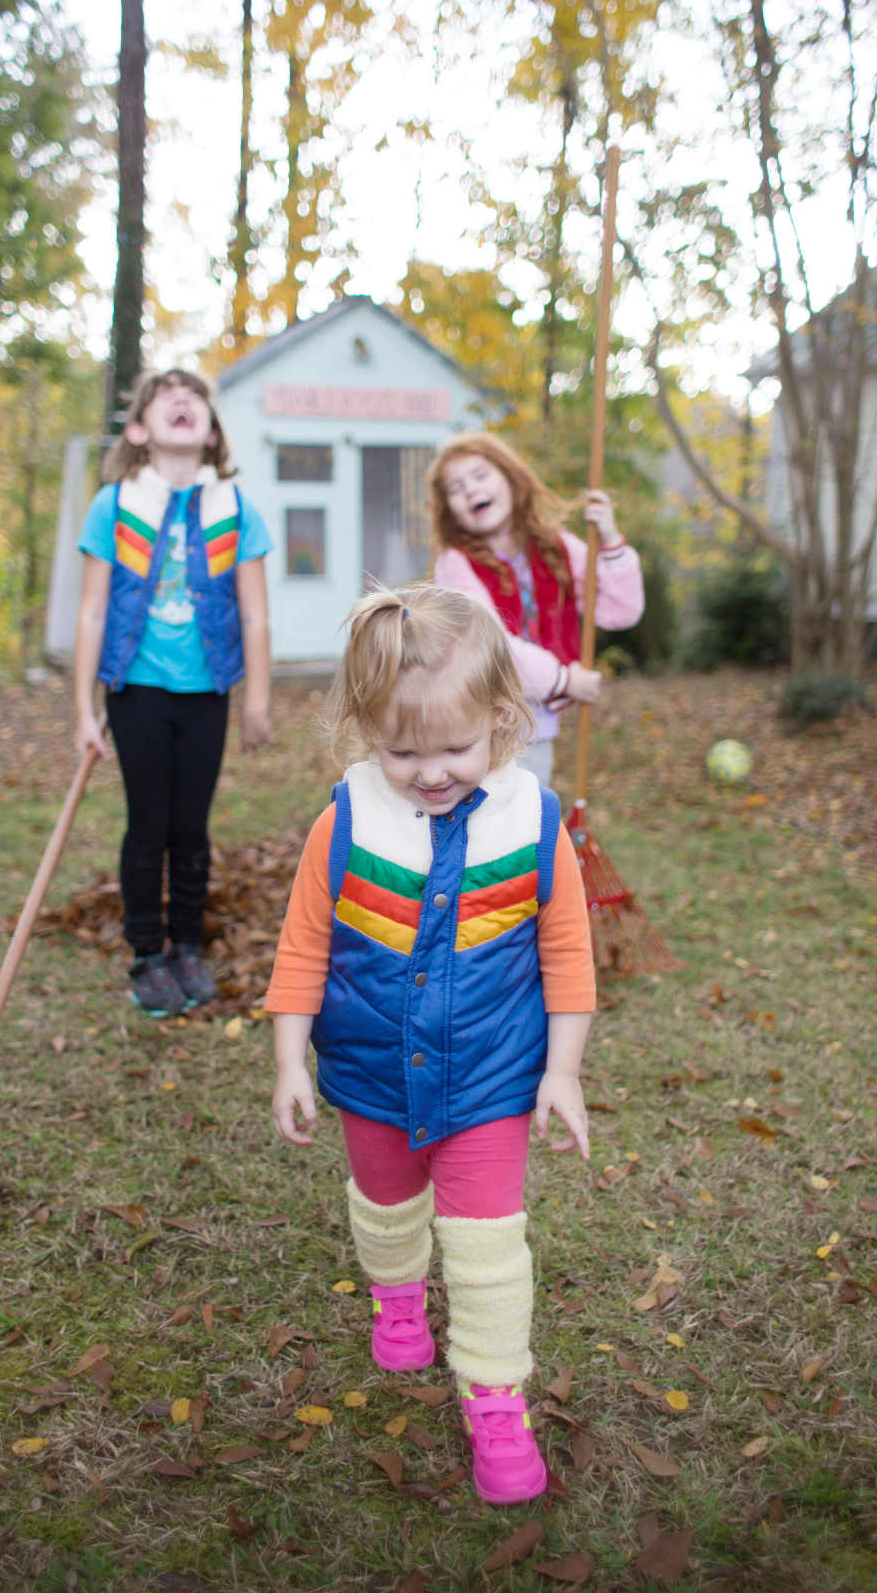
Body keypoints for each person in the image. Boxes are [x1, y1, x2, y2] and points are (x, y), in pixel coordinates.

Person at [267, 584, 595, 1506]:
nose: (430, 771)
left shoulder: (533, 826)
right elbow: (302, 947)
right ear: (367, 730)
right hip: (369, 1073)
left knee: (491, 1248)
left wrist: (562, 1071)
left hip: (492, 1078)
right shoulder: (343, 825)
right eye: (401, 750)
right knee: (385, 1208)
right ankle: (397, 1296)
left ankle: (497, 1403)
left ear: (503, 721)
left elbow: (567, 953)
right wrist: (291, 1060)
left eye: (454, 747)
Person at [74, 366, 272, 1018]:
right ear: (139, 430)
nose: (183, 402)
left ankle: (188, 945)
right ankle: (147, 954)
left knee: (191, 827)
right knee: (148, 825)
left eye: (196, 400)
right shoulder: (116, 503)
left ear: (212, 433)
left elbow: (254, 615)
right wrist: (83, 709)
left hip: (205, 691)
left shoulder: (234, 508)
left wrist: (257, 701)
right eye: (165, 397)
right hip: (138, 690)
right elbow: (93, 611)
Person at [429, 432, 644, 786]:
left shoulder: (555, 548)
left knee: (525, 826)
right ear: (449, 510)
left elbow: (618, 611)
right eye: (455, 488)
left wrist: (610, 540)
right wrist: (563, 679)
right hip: (474, 730)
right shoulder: (456, 565)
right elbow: (488, 645)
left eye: (481, 475)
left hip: (535, 727)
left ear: (510, 478)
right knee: (480, 825)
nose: (470, 489)